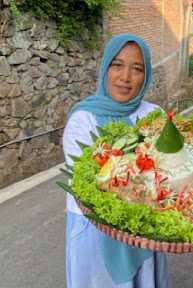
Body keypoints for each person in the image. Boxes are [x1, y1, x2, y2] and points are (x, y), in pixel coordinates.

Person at [62, 33, 170, 288]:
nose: (125, 77)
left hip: (145, 229)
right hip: (94, 228)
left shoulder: (154, 115)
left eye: (137, 69)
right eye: (117, 65)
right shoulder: (83, 119)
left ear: (146, 76)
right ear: (105, 69)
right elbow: (90, 184)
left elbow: (169, 172)